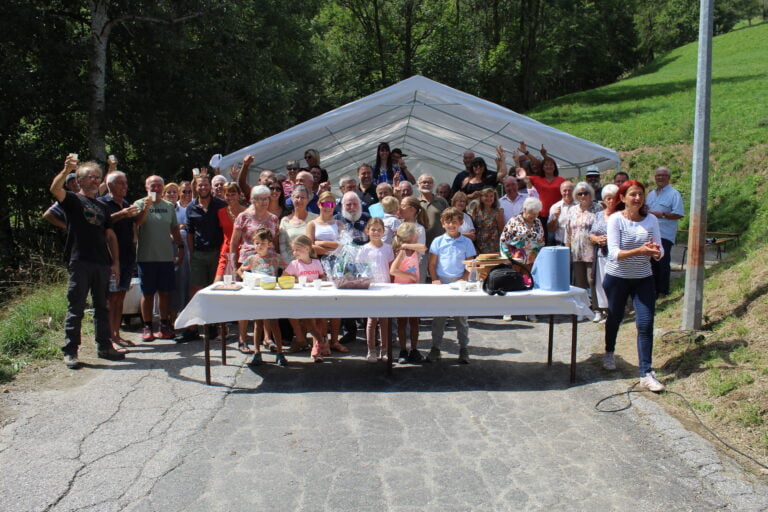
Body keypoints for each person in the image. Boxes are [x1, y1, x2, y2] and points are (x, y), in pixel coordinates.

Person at [50, 155, 124, 368]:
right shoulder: (73, 200)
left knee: (103, 307)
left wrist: (116, 263)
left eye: (97, 177)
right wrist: (65, 171)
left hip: (102, 263)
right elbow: (55, 189)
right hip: (80, 261)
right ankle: (70, 351)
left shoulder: (102, 207)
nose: (94, 180)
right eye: (90, 177)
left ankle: (104, 346)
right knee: (77, 307)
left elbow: (110, 236)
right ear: (79, 181)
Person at [602, 180, 664, 392]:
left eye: (640, 194)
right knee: (615, 317)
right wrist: (640, 251)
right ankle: (609, 351)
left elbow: (660, 250)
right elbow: (614, 253)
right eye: (632, 195)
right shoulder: (615, 220)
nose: (637, 198)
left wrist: (656, 252)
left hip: (643, 278)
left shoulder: (652, 220)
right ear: (622, 198)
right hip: (617, 277)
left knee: (645, 323)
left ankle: (646, 373)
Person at [177, 173, 226, 342]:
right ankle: (192, 328)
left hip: (218, 253)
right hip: (198, 253)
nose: (203, 188)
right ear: (195, 188)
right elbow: (189, 232)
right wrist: (191, 253)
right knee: (195, 291)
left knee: (217, 291)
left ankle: (216, 328)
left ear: (210, 187)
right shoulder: (191, 207)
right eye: (200, 185)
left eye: (206, 184)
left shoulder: (221, 205)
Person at [133, 175, 184, 341]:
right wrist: (146, 207)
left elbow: (175, 230)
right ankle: (147, 326)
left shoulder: (169, 206)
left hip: (166, 257)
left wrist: (181, 248)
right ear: (146, 187)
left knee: (165, 293)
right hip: (146, 257)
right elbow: (137, 224)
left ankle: (164, 324)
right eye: (152, 186)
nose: (156, 189)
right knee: (147, 294)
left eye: (159, 186)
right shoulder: (139, 204)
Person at [427, 208, 477, 364]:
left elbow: (469, 265)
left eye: (454, 222)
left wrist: (463, 279)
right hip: (442, 283)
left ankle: (463, 349)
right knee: (439, 319)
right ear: (443, 224)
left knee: (461, 319)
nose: (451, 225)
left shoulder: (466, 242)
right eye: (448, 222)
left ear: (461, 223)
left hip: (460, 283)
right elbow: (432, 264)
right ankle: (435, 348)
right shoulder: (438, 241)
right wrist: (435, 279)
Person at [98, 171, 139, 350]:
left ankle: (116, 334)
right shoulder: (102, 203)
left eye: (126, 183)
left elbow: (135, 225)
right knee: (111, 298)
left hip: (128, 256)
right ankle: (108, 338)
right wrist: (122, 214)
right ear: (111, 185)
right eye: (121, 183)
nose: (125, 187)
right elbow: (102, 223)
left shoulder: (126, 203)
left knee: (120, 297)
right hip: (111, 258)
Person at [239, 229, 287, 366]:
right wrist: (245, 278)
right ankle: (257, 353)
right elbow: (240, 270)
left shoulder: (275, 258)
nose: (260, 246)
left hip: (271, 294)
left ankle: (280, 352)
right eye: (257, 243)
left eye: (263, 243)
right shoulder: (252, 259)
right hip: (257, 295)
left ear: (269, 244)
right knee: (257, 324)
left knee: (274, 323)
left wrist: (281, 280)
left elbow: (286, 268)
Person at [307, 192, 348, 352]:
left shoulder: (339, 224)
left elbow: (344, 246)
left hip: (337, 266)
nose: (328, 207)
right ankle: (321, 340)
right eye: (325, 203)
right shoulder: (312, 224)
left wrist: (321, 243)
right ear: (319, 204)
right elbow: (310, 247)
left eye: (331, 204)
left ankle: (335, 340)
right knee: (320, 303)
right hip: (319, 265)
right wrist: (332, 245)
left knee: (336, 303)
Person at [357, 218, 395, 362]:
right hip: (370, 288)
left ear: (383, 231)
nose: (376, 232)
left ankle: (384, 349)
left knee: (384, 320)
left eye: (379, 230)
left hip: (385, 287)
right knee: (372, 320)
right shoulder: (364, 249)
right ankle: (371, 350)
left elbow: (391, 268)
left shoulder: (388, 248)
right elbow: (359, 270)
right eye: (373, 229)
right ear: (367, 231)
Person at [282, 236, 327, 357]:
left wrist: (321, 280)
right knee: (305, 319)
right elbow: (283, 278)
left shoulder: (316, 263)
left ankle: (317, 344)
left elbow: (322, 276)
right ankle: (317, 341)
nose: (294, 252)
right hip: (299, 298)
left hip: (315, 297)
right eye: (293, 250)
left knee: (316, 319)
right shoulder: (294, 264)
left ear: (307, 249)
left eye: (297, 249)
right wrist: (297, 280)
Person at [390, 222, 428, 364]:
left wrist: (408, 245)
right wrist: (410, 276)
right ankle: (403, 349)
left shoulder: (414, 249)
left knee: (414, 321)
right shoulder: (402, 252)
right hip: (401, 289)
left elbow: (423, 247)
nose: (418, 235)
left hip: (413, 289)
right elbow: (393, 270)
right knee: (402, 321)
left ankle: (414, 349)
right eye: (416, 233)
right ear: (411, 235)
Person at [565, 182, 602, 320]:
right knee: (579, 282)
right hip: (576, 251)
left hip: (591, 250)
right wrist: (567, 250)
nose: (583, 196)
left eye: (585, 193)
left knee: (592, 280)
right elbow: (567, 232)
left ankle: (597, 309)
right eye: (580, 193)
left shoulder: (597, 208)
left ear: (590, 193)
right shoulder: (572, 210)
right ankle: (581, 309)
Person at [514, 142, 564, 242]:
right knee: (542, 242)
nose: (548, 167)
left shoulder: (561, 180)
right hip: (540, 216)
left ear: (555, 167)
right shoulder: (537, 179)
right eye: (546, 165)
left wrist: (545, 156)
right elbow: (520, 174)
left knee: (556, 241)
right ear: (543, 167)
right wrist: (517, 162)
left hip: (557, 215)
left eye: (551, 165)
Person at [646, 166, 684, 297]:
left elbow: (678, 214)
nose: (660, 178)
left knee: (662, 262)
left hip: (664, 234)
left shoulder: (674, 194)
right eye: (658, 175)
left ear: (668, 178)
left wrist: (661, 214)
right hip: (649, 234)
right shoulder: (650, 194)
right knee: (651, 262)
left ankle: (663, 290)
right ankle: (653, 290)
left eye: (663, 175)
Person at [589, 184, 619, 324]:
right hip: (601, 254)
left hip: (616, 255)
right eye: (608, 198)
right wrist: (597, 239)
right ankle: (605, 310)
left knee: (614, 282)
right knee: (601, 283)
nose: (611, 201)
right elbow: (591, 234)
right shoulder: (599, 215)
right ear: (604, 200)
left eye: (614, 198)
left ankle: (616, 310)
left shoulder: (621, 215)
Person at [499, 197, 545, 266]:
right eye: (532, 213)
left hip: (533, 261)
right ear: (525, 210)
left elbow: (541, 240)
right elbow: (504, 241)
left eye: (537, 213)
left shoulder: (538, 222)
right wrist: (509, 259)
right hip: (515, 261)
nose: (535, 215)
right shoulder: (514, 221)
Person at [279, 185, 317, 265]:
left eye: (303, 197)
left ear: (308, 200)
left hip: (310, 264)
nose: (299, 200)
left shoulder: (315, 218)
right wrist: (290, 264)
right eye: (297, 197)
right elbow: (282, 246)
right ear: (292, 199)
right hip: (290, 264)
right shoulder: (285, 221)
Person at [469, 187, 505, 254]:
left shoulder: (498, 212)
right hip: (478, 247)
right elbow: (473, 227)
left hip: (493, 248)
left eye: (491, 196)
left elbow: (501, 231)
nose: (489, 198)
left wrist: (502, 248)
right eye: (486, 196)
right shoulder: (476, 210)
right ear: (481, 198)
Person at [417, 174, 448, 247]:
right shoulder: (415, 202)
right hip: (421, 245)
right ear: (418, 185)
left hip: (440, 244)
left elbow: (449, 218)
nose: (427, 184)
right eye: (424, 182)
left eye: (429, 182)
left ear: (433, 185)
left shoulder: (441, 201)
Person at [547, 181, 576, 246]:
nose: (567, 193)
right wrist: (555, 217)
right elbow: (550, 229)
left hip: (576, 245)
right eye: (564, 190)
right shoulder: (555, 207)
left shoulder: (580, 206)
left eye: (570, 190)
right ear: (560, 191)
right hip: (560, 244)